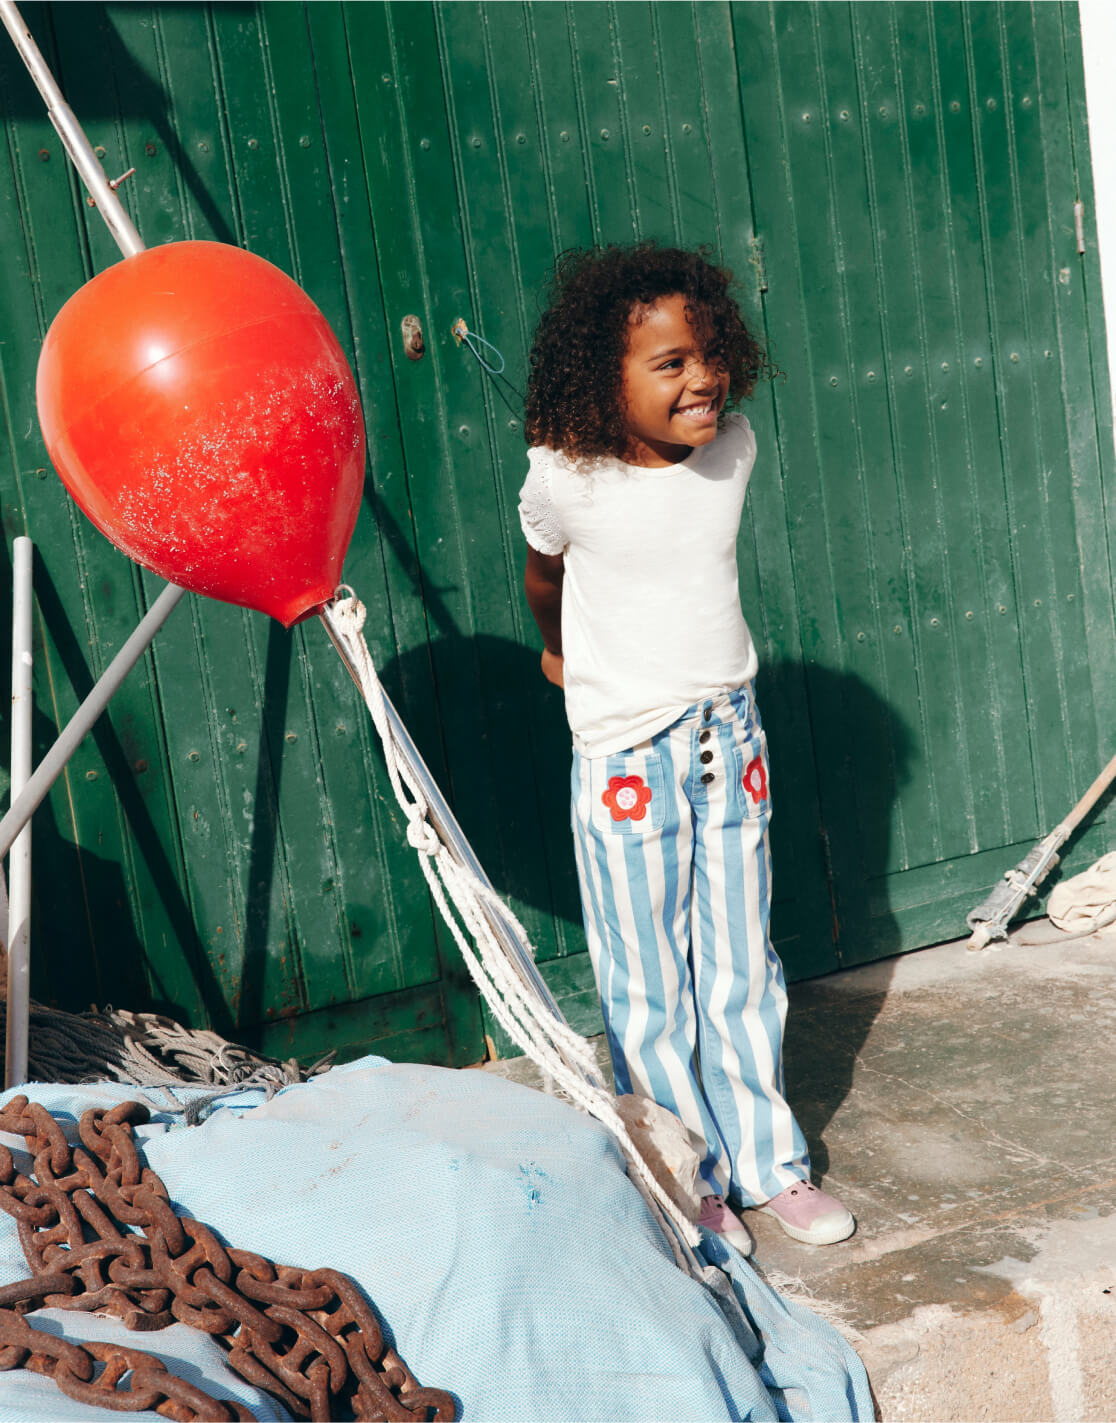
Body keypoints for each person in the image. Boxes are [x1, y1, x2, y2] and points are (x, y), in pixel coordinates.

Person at [517, 243, 855, 1252]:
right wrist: (556, 652)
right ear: (599, 380)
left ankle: (770, 1163)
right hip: (627, 753)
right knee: (648, 980)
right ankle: (686, 1176)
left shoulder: (735, 450)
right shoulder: (563, 481)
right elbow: (543, 578)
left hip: (729, 735)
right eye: (668, 365)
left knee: (742, 964)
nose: (700, 377)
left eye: (707, 353)